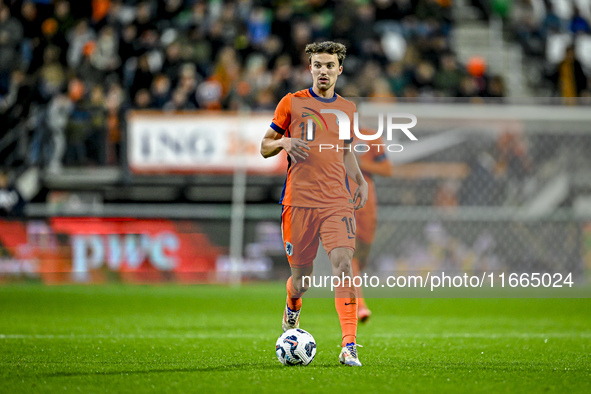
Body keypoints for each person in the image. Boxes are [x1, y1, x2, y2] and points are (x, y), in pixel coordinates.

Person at [260, 41, 368, 366]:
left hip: (337, 202)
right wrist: (283, 141)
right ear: (310, 68)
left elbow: (346, 151)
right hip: (299, 204)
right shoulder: (291, 103)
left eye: (329, 65)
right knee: (302, 280)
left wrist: (360, 180)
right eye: (318, 65)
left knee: (344, 265)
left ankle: (348, 345)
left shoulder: (347, 109)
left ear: (340, 69)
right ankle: (293, 303)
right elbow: (264, 147)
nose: (323, 71)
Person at [349, 131, 393, 323]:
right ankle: (360, 304)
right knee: (349, 253)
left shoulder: (370, 137)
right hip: (339, 198)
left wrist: (359, 165)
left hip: (366, 201)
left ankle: (354, 286)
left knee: (361, 255)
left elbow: (387, 169)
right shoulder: (327, 136)